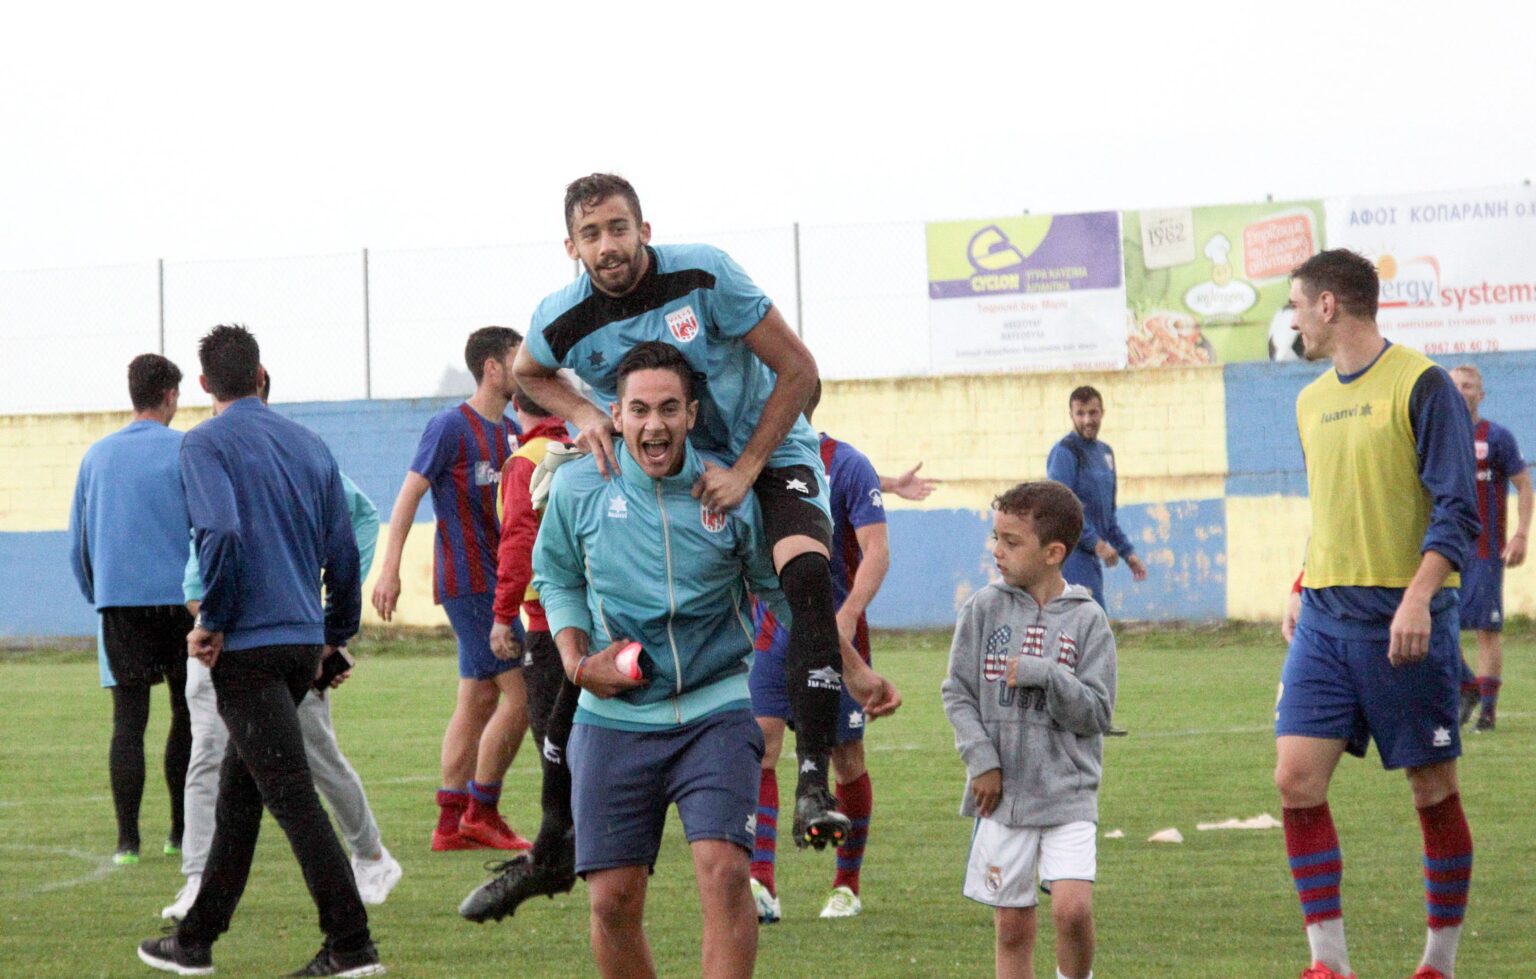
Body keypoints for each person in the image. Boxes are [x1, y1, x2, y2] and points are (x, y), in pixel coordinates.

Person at [514, 173, 900, 848]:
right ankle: (557, 826)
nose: (607, 245)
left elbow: (801, 370)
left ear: (645, 230)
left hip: (766, 452)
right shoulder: (561, 316)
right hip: (672, 462)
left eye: (618, 228)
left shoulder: (705, 273)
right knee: (612, 606)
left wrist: (747, 469)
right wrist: (583, 412)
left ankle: (813, 782)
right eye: (590, 234)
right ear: (571, 247)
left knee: (805, 577)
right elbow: (526, 370)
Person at [531, 342, 898, 978]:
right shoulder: (578, 485)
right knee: (612, 901)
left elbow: (784, 600)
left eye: (669, 409)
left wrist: (854, 671)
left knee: (727, 874)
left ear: (693, 414)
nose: (655, 425)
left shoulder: (727, 491)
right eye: (639, 410)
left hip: (716, 709)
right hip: (614, 717)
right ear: (615, 414)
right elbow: (557, 577)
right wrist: (575, 660)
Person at [137, 324, 381, 977]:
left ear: (205, 383)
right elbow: (343, 550)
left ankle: (351, 942)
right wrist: (336, 634)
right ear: (260, 374)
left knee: (292, 795)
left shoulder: (204, 442)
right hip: (300, 644)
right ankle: (196, 939)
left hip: (248, 648)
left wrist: (214, 619)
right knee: (240, 795)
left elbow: (219, 529)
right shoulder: (308, 443)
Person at [1275, 250, 1478, 979]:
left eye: (1297, 305)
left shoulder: (1422, 384)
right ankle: (1328, 963)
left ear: (1329, 305)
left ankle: (1438, 962)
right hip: (1324, 619)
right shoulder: (1308, 402)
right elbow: (1337, 510)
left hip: (1404, 620)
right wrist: (1302, 581)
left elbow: (1458, 508)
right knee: (1295, 779)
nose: (1293, 320)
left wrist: (1420, 596)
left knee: (1432, 789)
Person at [941, 480, 1116, 979]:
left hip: (1068, 792)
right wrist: (982, 761)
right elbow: (957, 693)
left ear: (1053, 553)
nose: (997, 551)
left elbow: (1096, 713)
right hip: (1004, 797)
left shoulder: (1089, 620)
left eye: (1012, 542)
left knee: (1072, 910)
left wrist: (1048, 675)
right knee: (1013, 928)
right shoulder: (983, 609)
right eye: (996, 538)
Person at [372, 326, 533, 852]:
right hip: (469, 582)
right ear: (492, 367)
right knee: (523, 695)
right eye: (517, 358)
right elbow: (408, 495)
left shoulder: (513, 434)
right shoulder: (450, 427)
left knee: (479, 697)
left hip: (496, 582)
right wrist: (390, 569)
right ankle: (482, 811)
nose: (525, 366)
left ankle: (449, 823)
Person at [747, 381, 890, 923]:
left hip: (836, 636)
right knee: (760, 745)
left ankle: (846, 886)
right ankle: (761, 884)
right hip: (769, 632)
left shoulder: (847, 464)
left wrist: (848, 614)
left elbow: (876, 550)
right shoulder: (749, 462)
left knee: (845, 757)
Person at [459, 386, 581, 922]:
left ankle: (561, 848)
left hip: (548, 622)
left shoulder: (524, 461)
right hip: (591, 616)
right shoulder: (578, 450)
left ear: (516, 408)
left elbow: (518, 543)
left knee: (554, 741)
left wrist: (501, 613)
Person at [68, 353, 193, 865]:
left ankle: (127, 842)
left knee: (128, 722)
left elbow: (78, 544)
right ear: (170, 396)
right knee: (186, 715)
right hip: (181, 604)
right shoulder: (186, 449)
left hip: (119, 603)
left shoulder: (96, 457)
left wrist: (99, 596)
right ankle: (180, 833)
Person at [1448, 363, 1531, 732]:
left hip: (1484, 549)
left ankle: (1487, 712)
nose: (1461, 391)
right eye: (1455, 385)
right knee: (1438, 625)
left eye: (1468, 386)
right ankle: (1466, 686)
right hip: (1442, 549)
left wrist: (1521, 535)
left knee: (1486, 628)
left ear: (1480, 394)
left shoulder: (1496, 437)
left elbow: (1524, 485)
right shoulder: (1434, 435)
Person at [1045, 386, 1147, 610]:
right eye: (1080, 413)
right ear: (1071, 415)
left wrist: (1128, 553)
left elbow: (1107, 517)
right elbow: (1061, 511)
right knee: (1088, 621)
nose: (1087, 420)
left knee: (1092, 623)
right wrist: (1097, 544)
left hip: (1090, 560)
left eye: (1093, 412)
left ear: (1102, 412)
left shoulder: (1105, 453)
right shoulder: (1065, 451)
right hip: (1070, 557)